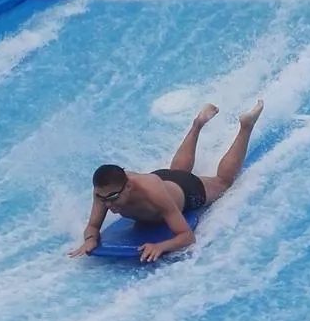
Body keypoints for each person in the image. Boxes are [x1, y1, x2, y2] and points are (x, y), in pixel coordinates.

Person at [68, 99, 264, 263]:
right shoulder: (104, 191)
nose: (108, 205)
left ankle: (246, 126)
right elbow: (93, 226)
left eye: (113, 198)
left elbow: (187, 236)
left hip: (186, 191)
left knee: (222, 182)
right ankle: (198, 123)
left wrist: (161, 246)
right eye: (103, 199)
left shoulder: (153, 193)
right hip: (163, 179)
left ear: (127, 186)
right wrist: (90, 239)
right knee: (175, 171)